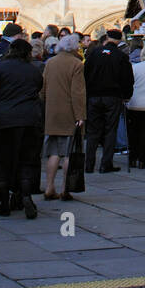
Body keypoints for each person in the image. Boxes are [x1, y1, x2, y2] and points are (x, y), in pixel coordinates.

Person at [0, 38, 44, 218]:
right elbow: (38, 88)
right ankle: (25, 194)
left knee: (1, 159)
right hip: (30, 119)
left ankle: (3, 201)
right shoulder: (34, 71)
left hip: (3, 120)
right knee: (27, 159)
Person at [42, 34, 86, 199]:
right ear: (74, 48)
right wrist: (80, 115)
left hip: (52, 113)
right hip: (69, 114)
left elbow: (43, 89)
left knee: (53, 153)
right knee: (69, 154)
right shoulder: (76, 64)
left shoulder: (50, 63)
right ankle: (65, 189)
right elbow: (77, 93)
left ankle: (48, 187)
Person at [83, 29, 134, 173]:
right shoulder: (121, 56)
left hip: (94, 96)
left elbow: (85, 73)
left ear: (107, 38)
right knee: (110, 130)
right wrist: (127, 95)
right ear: (119, 41)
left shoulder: (94, 53)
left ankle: (89, 163)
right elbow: (128, 79)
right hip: (113, 96)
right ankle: (106, 163)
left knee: (93, 131)